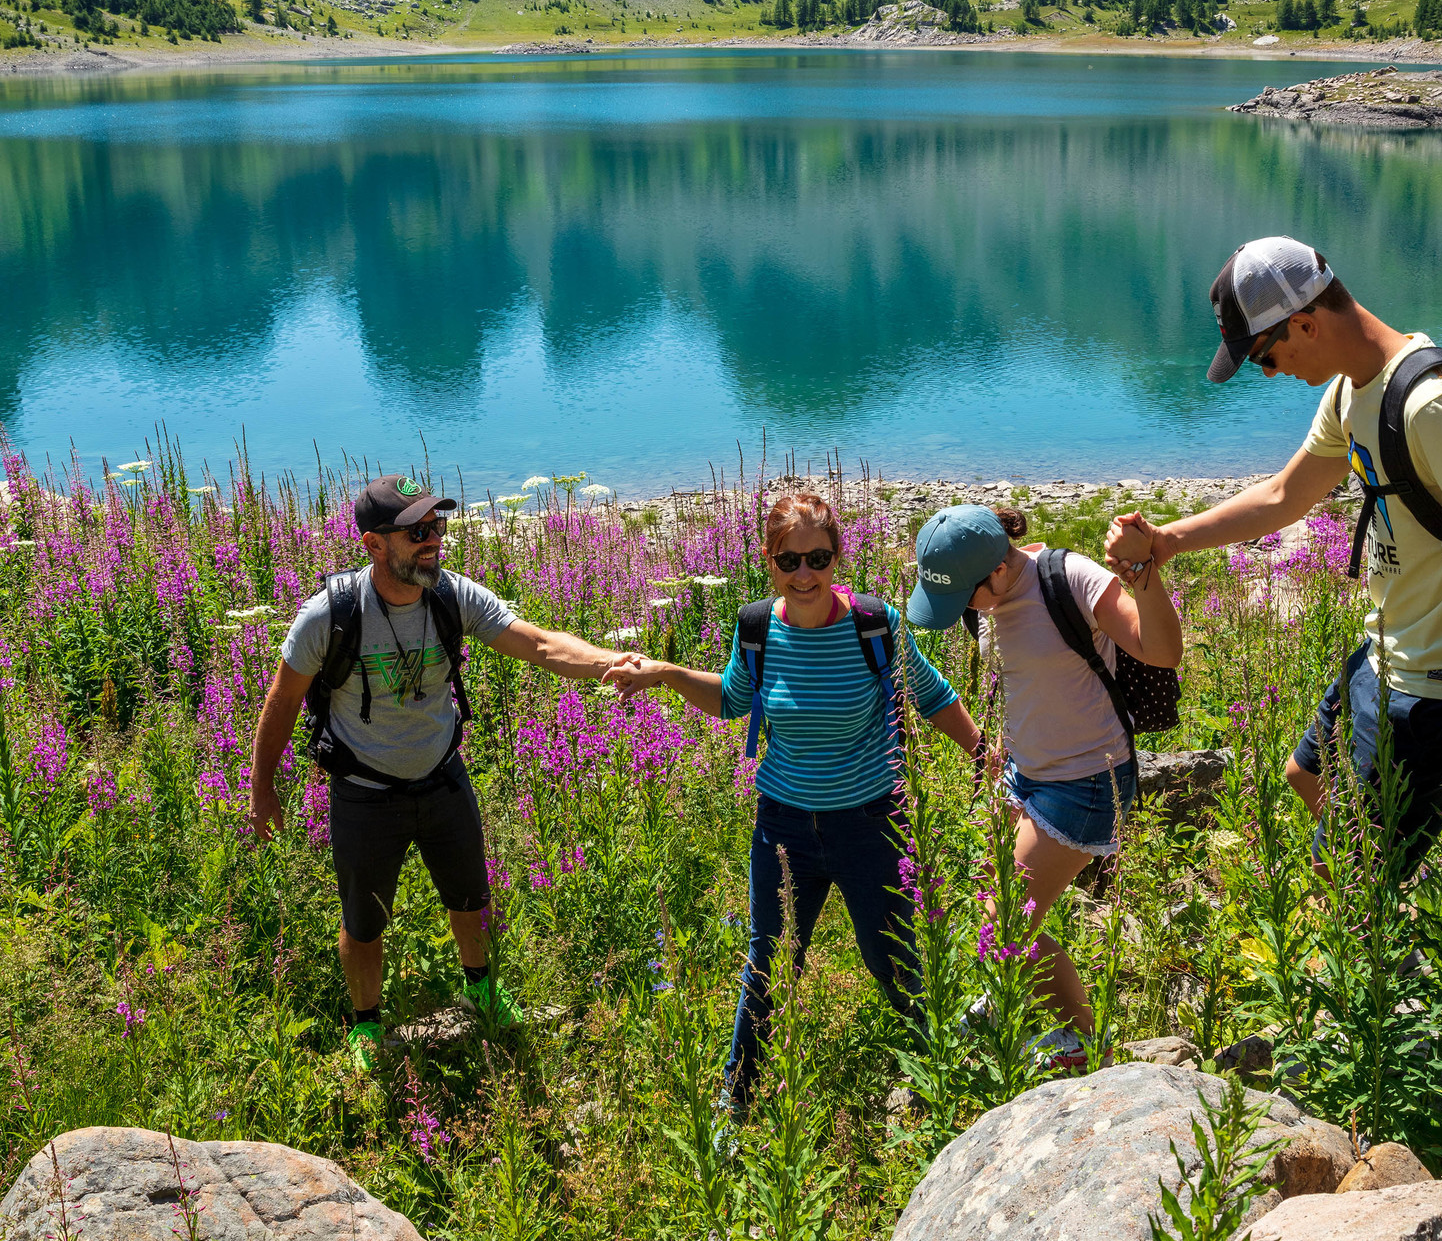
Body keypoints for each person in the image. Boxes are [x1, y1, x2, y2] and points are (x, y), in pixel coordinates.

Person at [1104, 235, 1442, 873]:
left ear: (1306, 323)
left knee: (1339, 878)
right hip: (1385, 653)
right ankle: (1398, 895)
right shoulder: (1352, 392)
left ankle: (1388, 928)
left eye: (1264, 352)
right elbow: (1286, 496)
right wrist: (1168, 541)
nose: (1267, 371)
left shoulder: (1435, 407)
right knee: (1306, 777)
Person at [607, 490, 984, 1112]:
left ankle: (944, 1072)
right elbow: (732, 701)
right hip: (781, 824)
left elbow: (933, 696)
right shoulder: (756, 629)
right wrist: (667, 673)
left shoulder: (877, 625)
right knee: (770, 964)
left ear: (839, 555)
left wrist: (982, 754)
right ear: (769, 560)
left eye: (819, 557)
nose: (805, 573)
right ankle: (741, 1103)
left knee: (893, 955)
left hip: (870, 823)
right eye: (789, 561)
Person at [250, 474, 627, 1069]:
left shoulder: (454, 596)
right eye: (417, 532)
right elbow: (283, 702)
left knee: (472, 898)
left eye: (438, 527)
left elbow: (543, 646)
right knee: (364, 919)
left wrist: (615, 662)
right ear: (374, 545)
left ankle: (482, 990)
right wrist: (263, 790)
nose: (434, 542)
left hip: (443, 776)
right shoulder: (331, 615)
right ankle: (366, 1027)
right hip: (364, 791)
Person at [906, 501, 1182, 1067]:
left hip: (1086, 780)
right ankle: (1012, 991)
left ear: (999, 570)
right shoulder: (992, 592)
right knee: (999, 905)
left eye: (963, 598)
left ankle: (1083, 1042)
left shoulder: (1070, 577)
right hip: (1027, 772)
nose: (963, 611)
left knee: (1002, 919)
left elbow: (1163, 651)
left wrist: (1142, 574)